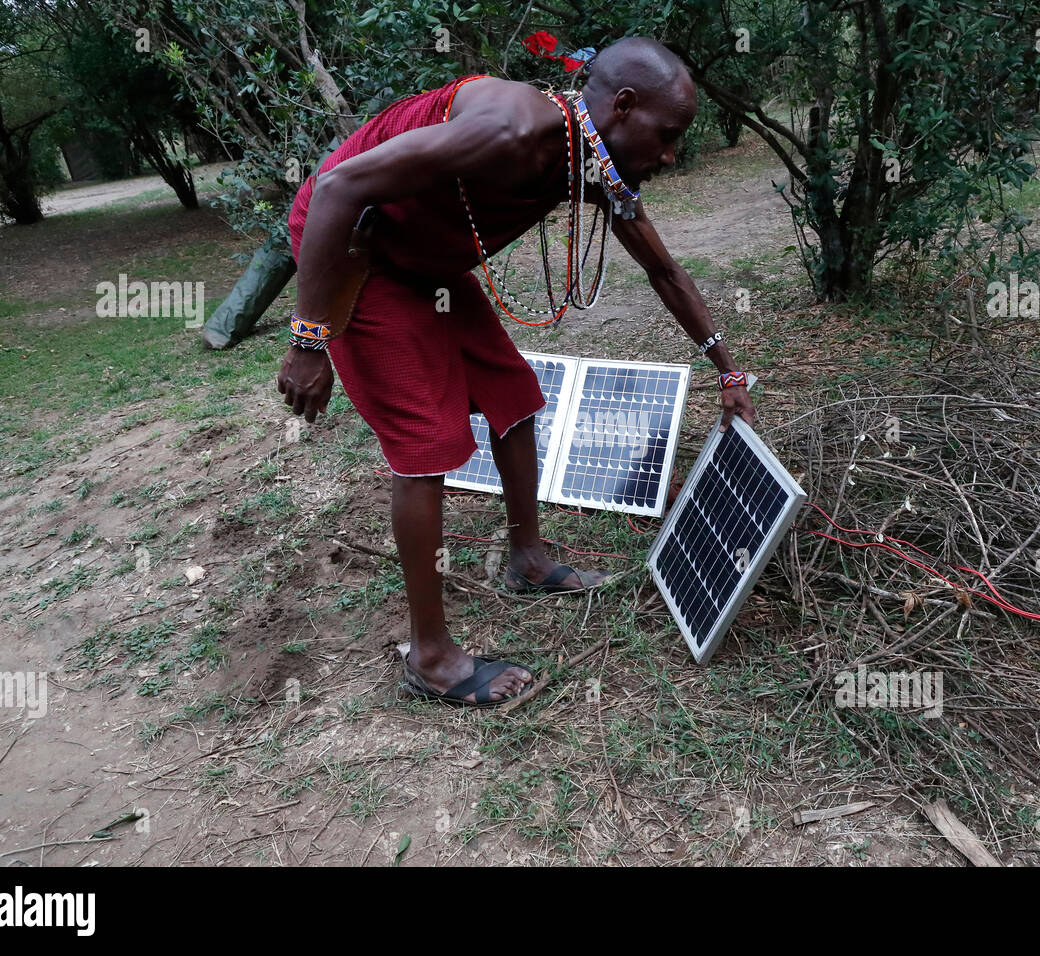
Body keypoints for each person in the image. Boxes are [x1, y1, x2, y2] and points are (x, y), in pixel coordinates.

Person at [278, 37, 755, 707]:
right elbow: (337, 186)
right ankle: (432, 659)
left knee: (514, 396)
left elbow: (664, 270)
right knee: (425, 445)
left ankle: (528, 561)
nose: (671, 153)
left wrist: (729, 372)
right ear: (621, 106)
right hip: (358, 253)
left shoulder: (594, 164)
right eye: (668, 134)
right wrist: (309, 337)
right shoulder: (512, 130)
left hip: (426, 264)